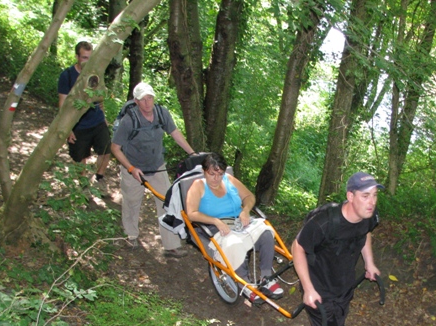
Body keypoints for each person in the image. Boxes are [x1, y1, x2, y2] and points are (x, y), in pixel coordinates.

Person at [286, 172, 383, 326]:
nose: (372, 202)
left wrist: (369, 262)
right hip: (317, 283)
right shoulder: (325, 222)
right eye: (365, 196)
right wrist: (308, 287)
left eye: (375, 195)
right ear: (350, 196)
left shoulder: (369, 218)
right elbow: (298, 248)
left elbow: (366, 233)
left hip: (343, 283)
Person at [184, 153, 284, 303]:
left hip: (239, 222)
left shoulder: (229, 180)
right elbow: (191, 214)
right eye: (212, 174)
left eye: (220, 174)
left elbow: (249, 197)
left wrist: (245, 210)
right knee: (234, 244)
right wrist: (216, 221)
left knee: (266, 231)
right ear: (204, 171)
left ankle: (266, 277)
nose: (216, 178)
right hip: (214, 227)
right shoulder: (198, 185)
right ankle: (245, 284)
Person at [111, 82, 196, 258]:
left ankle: (171, 245)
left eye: (150, 98)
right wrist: (131, 168)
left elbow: (175, 133)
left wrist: (193, 153)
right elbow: (115, 148)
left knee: (168, 203)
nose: (147, 103)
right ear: (136, 101)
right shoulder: (129, 121)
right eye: (143, 99)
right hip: (133, 168)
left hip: (157, 166)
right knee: (132, 203)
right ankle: (131, 235)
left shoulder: (161, 113)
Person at [58, 41, 111, 191]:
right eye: (84, 57)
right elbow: (62, 103)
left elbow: (100, 97)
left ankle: (99, 178)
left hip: (97, 121)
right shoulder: (67, 76)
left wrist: (104, 115)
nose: (87, 61)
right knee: (81, 157)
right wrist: (67, 128)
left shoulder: (96, 74)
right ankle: (83, 186)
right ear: (77, 57)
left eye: (90, 57)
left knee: (106, 150)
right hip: (78, 125)